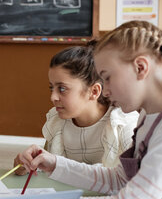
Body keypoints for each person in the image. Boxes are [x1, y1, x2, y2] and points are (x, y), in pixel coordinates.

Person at [16, 21, 162, 199]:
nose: (105, 92)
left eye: (107, 78)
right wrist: (55, 163)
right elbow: (119, 180)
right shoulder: (148, 116)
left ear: (140, 68)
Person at [15, 45, 137, 175]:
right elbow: (47, 166)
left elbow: (132, 178)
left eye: (62, 89)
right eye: (52, 88)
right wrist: (26, 165)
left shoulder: (124, 124)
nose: (53, 97)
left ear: (94, 91)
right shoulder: (57, 121)